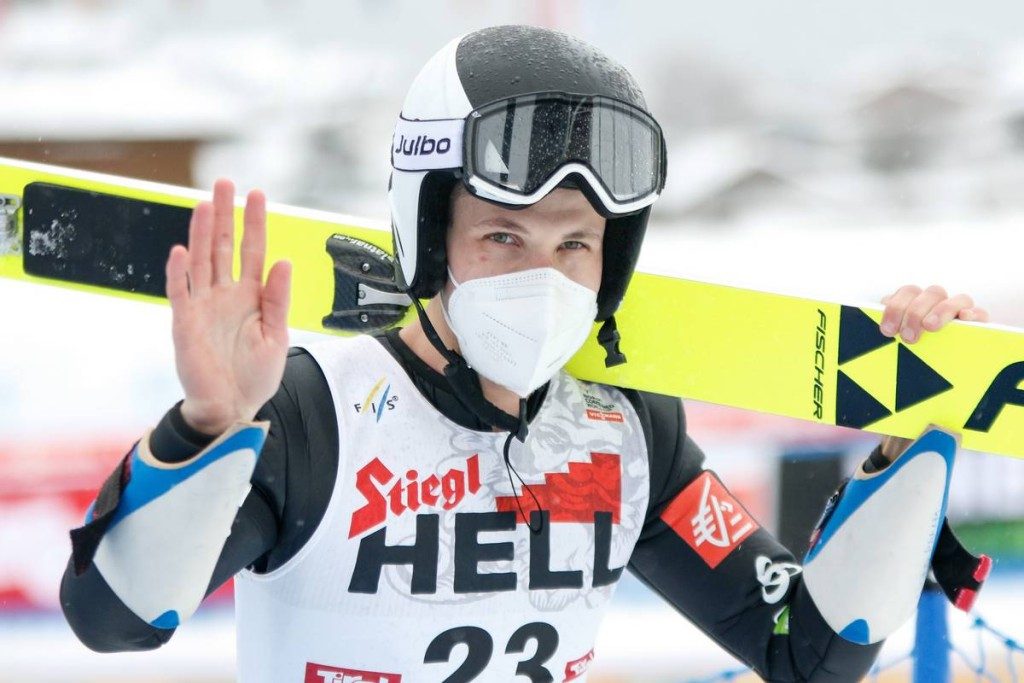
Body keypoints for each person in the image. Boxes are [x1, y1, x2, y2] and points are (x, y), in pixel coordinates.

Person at [60, 25, 991, 682]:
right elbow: (114, 621)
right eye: (503, 238)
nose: (544, 273)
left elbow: (803, 647)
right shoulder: (317, 413)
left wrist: (907, 450)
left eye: (574, 243)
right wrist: (212, 427)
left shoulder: (624, 428)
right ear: (427, 235)